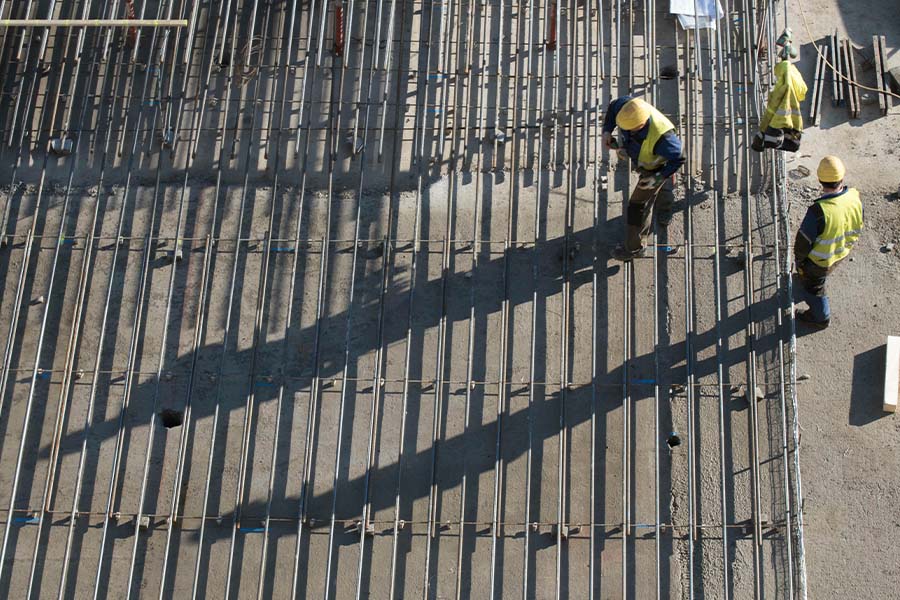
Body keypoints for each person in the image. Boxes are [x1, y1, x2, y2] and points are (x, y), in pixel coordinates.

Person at [602, 96, 685, 261]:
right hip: (649, 160)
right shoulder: (629, 107)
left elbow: (680, 157)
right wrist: (607, 131)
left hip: (656, 168)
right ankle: (665, 211)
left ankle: (634, 249)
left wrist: (658, 177)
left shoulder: (665, 138)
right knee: (666, 185)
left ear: (641, 124)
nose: (627, 132)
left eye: (630, 129)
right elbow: (612, 108)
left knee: (637, 207)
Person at [793, 156, 863, 329]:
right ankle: (808, 279)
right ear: (842, 177)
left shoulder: (818, 211)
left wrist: (800, 262)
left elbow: (803, 244)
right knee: (817, 277)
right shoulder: (854, 197)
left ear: (820, 180)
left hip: (820, 261)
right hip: (841, 253)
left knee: (814, 288)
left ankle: (820, 318)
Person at [752, 40, 807, 153]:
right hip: (795, 124)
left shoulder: (783, 87)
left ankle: (762, 142)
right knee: (793, 144)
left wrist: (762, 130)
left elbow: (771, 111)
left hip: (780, 124)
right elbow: (802, 93)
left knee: (777, 142)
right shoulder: (794, 75)